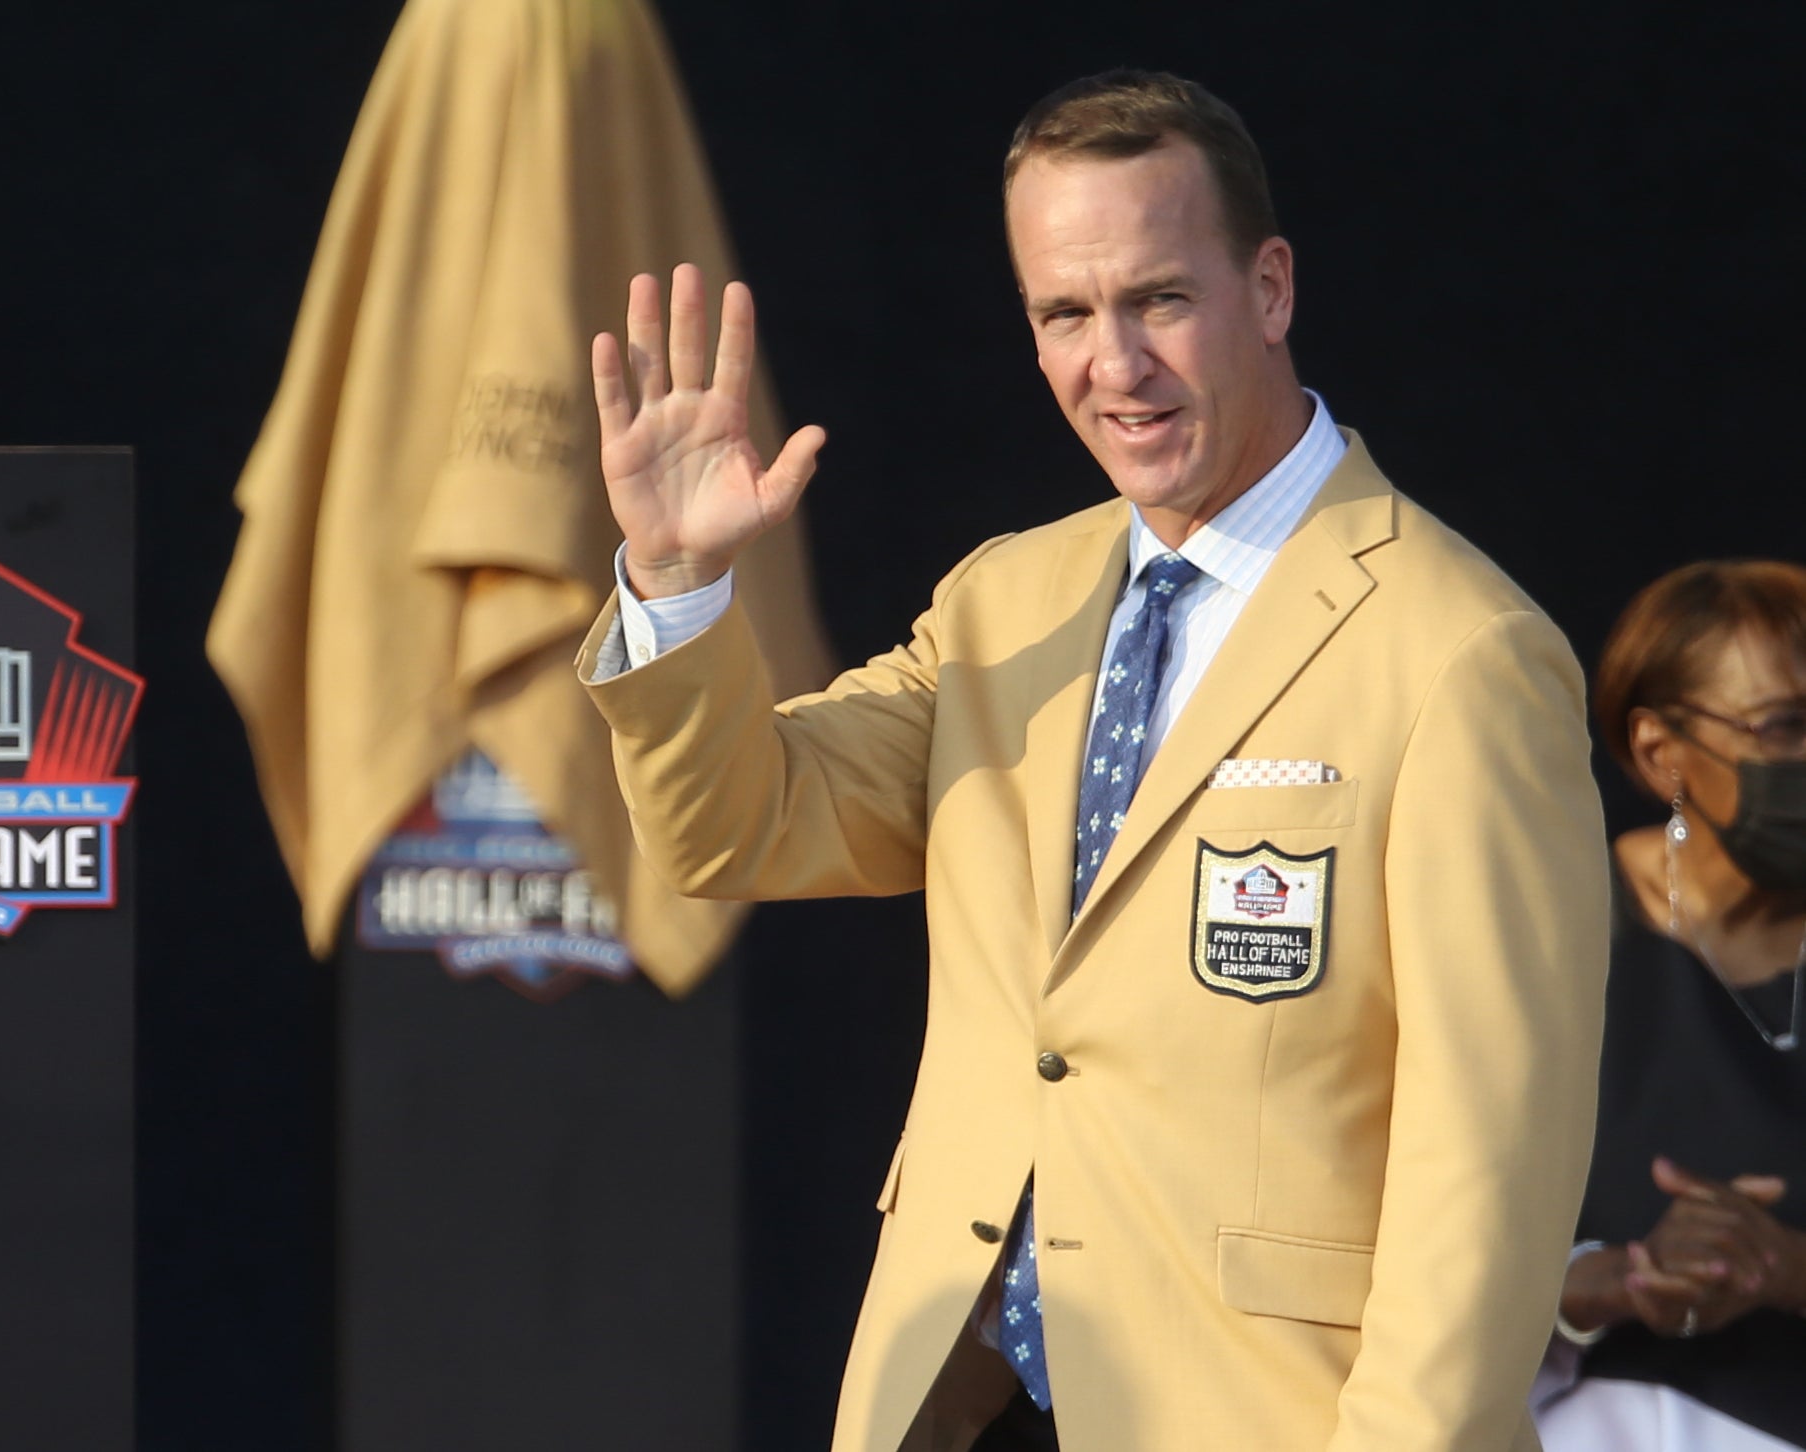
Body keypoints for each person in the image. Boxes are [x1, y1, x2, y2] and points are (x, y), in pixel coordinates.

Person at [576, 69, 1610, 1452]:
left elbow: (1488, 1170)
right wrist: (676, 580)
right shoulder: (1010, 599)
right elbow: (736, 828)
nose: (1111, 365)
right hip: (959, 1403)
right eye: (1064, 313)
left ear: (1273, 289)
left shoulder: (1464, 654)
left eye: (1160, 301)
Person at [1532, 561, 1806, 1450]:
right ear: (1661, 752)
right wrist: (1601, 1283)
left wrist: (1780, 1269)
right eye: (1786, 726)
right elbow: (1394, 1235)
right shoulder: (1546, 928)